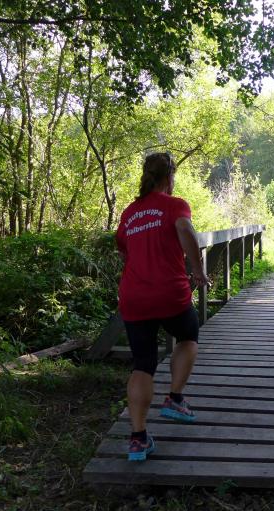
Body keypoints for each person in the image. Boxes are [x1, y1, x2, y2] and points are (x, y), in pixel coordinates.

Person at [116, 152, 210, 461]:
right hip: (169, 292)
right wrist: (198, 271)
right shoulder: (174, 205)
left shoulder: (129, 213)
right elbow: (185, 229)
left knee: (143, 363)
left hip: (133, 295)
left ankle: (138, 438)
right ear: (169, 177)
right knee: (188, 335)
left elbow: (123, 249)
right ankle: (175, 398)